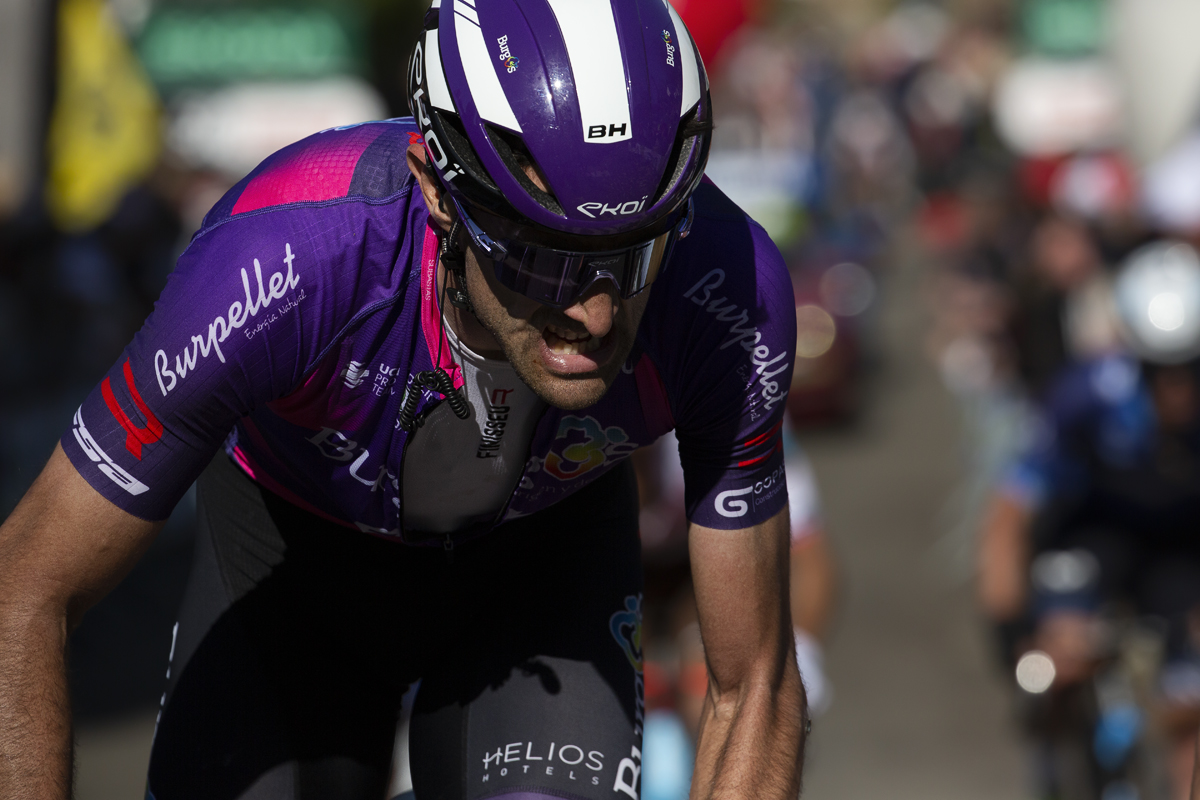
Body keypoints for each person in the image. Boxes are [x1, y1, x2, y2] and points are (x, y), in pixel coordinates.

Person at [0, 1, 806, 798]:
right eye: (541, 256)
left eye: (633, 255)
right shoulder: (290, 259)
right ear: (434, 185)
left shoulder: (727, 291)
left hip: (538, 574)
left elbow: (753, 687)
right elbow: (26, 589)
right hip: (292, 571)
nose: (593, 313)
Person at [978, 240, 1200, 800]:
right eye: (1161, 372)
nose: (1178, 388)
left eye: (1191, 368)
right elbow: (1008, 517)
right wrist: (1011, 633)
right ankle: (1056, 756)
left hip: (1177, 552)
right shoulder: (1083, 396)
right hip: (1090, 539)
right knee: (1060, 654)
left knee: (1192, 708)